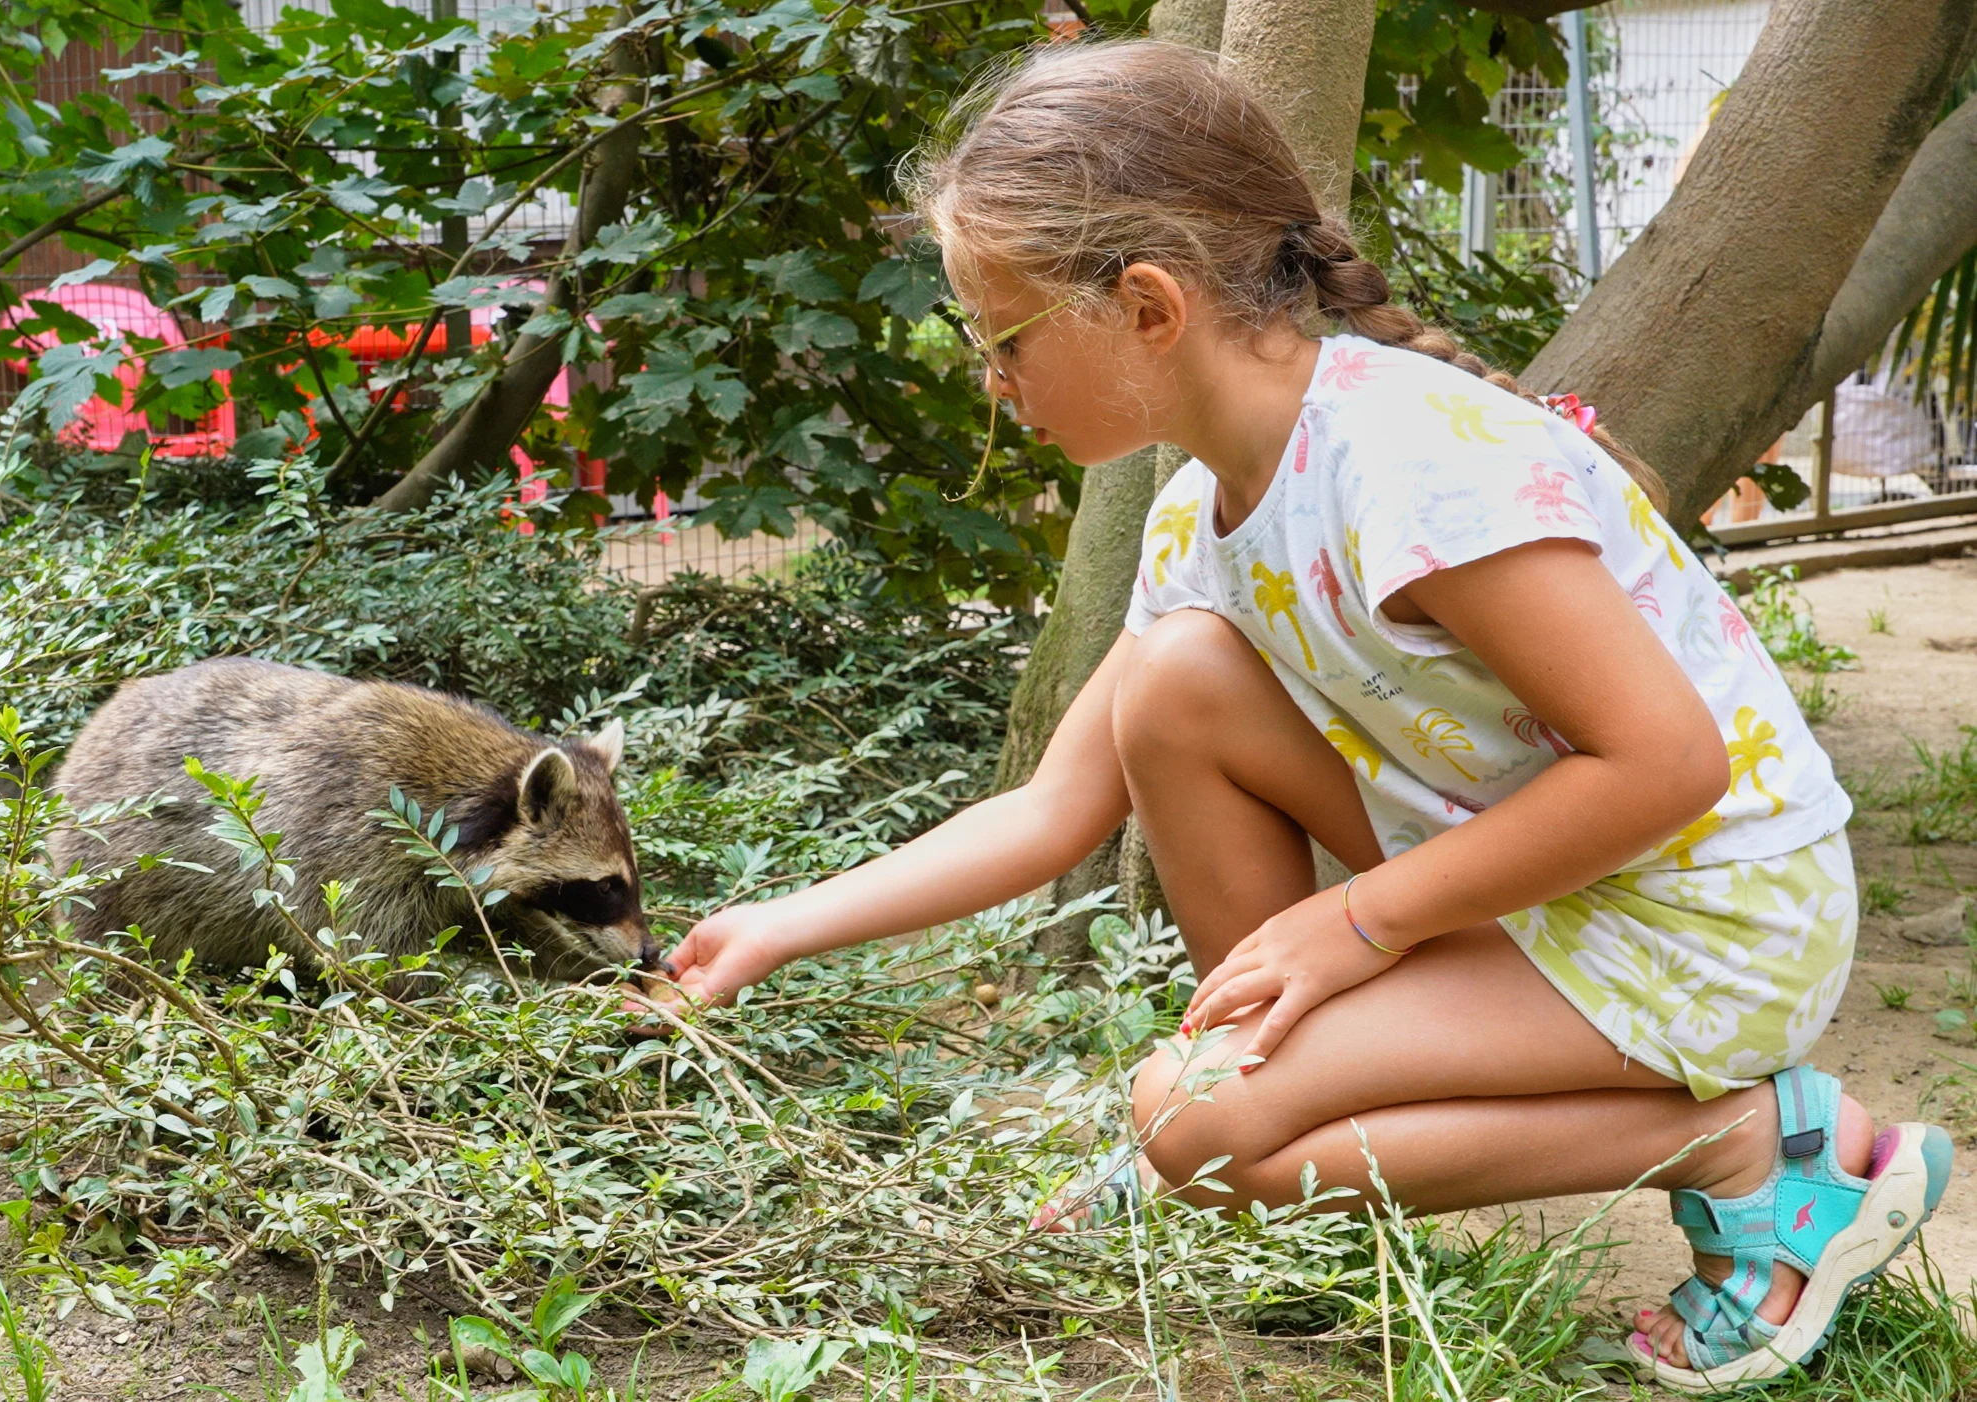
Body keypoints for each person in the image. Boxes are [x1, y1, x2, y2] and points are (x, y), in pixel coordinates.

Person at [651, 39, 1950, 1392]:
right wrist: (773, 927)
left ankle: (1754, 1145)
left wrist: (1352, 922)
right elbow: (1052, 809)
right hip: (1548, 889)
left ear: (1145, 305)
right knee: (1174, 684)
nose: (994, 378)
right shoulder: (1201, 517)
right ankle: (1275, 1113)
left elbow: (1669, 760)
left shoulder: (1410, 460)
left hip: (1712, 920)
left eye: (1006, 337)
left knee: (1190, 1123)